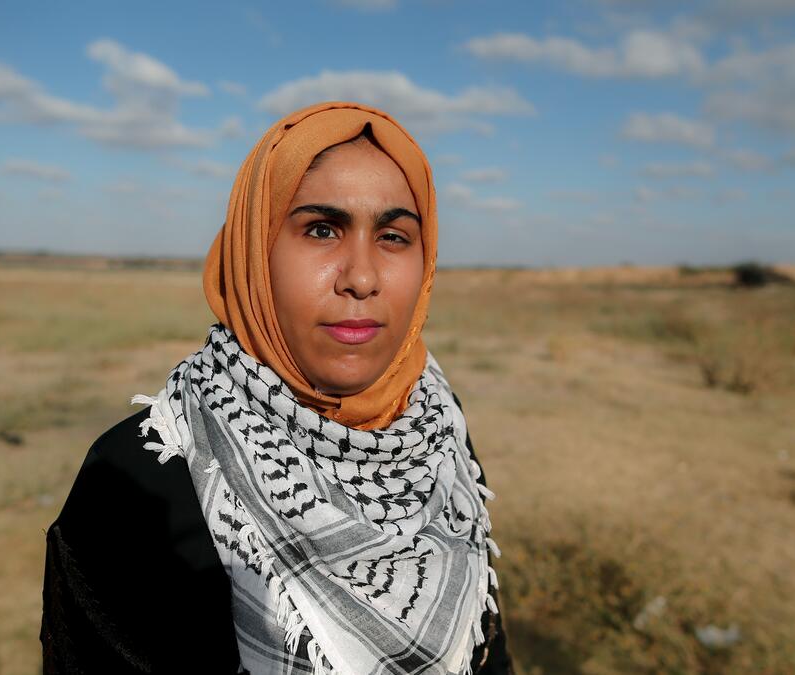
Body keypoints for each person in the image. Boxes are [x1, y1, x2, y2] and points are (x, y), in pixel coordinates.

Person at [41, 101, 513, 674]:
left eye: (393, 236)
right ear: (254, 252)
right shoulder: (142, 478)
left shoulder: (435, 426)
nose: (362, 277)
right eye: (321, 229)